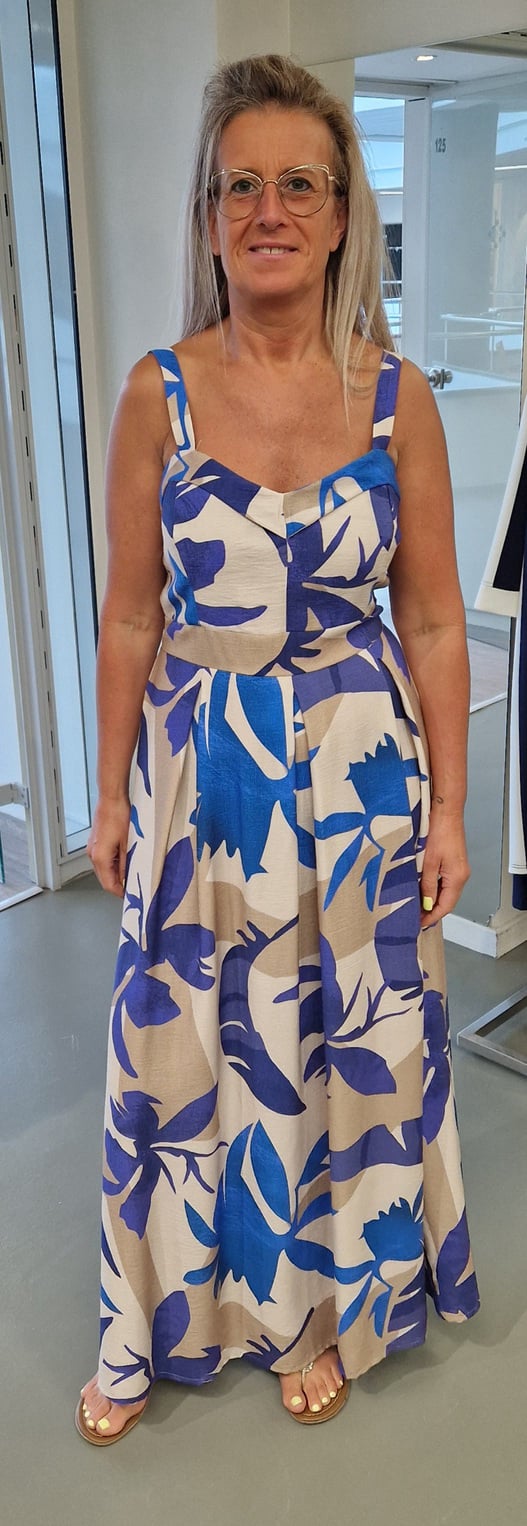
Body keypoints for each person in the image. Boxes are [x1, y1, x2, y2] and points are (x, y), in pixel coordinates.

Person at [76, 53, 479, 1446]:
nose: (269, 210)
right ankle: (154, 1316)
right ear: (208, 216)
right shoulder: (159, 396)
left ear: (341, 212)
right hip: (207, 779)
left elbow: (435, 620)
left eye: (299, 183)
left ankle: (317, 1313)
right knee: (188, 1050)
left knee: (335, 1044)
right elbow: (131, 613)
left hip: (362, 783)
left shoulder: (399, 398)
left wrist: (449, 811)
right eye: (241, 184)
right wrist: (108, 790)